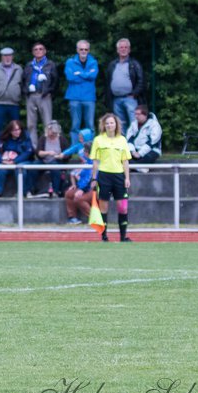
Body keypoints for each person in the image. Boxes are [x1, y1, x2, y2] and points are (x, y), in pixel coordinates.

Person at [89, 112, 131, 242]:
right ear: (103, 125)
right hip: (104, 176)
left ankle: (123, 237)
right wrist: (94, 178)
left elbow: (125, 161)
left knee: (123, 207)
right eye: (106, 123)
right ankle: (104, 236)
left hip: (119, 176)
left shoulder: (122, 140)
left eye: (111, 122)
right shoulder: (98, 140)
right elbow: (95, 162)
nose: (109, 125)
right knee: (104, 207)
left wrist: (127, 178)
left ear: (116, 124)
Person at [0, 47, 23, 151]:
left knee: (16, 128)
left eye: (9, 55)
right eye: (5, 56)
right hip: (0, 103)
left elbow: (22, 84)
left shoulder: (19, 69)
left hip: (14, 103)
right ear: (1, 57)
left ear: (12, 56)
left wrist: (17, 96)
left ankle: (16, 148)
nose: (7, 58)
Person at [63, 40, 98, 140]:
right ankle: (75, 148)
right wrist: (87, 74)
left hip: (89, 97)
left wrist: (79, 73)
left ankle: (91, 148)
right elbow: (70, 77)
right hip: (74, 97)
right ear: (77, 50)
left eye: (86, 49)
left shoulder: (93, 62)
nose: (83, 51)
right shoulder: (70, 62)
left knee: (90, 125)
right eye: (81, 49)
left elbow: (93, 75)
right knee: (75, 125)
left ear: (89, 50)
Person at [22, 42, 57, 137]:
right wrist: (26, 92)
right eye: (36, 49)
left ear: (45, 51)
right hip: (31, 96)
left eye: (41, 49)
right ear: (33, 52)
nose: (38, 51)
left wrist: (50, 92)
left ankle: (48, 147)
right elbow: (24, 79)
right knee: (31, 124)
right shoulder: (29, 65)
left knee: (48, 123)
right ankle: (33, 147)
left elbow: (55, 80)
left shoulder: (50, 64)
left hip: (44, 96)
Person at [0, 119, 33, 197]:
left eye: (19, 129)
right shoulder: (4, 138)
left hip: (22, 161)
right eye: (14, 130)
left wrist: (15, 161)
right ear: (10, 131)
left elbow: (28, 153)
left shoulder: (26, 137)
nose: (17, 132)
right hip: (7, 161)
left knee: (20, 169)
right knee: (0, 169)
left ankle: (22, 192)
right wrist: (2, 160)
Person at [105, 38, 144, 122]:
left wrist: (134, 94)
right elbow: (108, 82)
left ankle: (134, 136)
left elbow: (141, 81)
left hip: (130, 99)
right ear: (117, 50)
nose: (123, 49)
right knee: (120, 125)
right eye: (121, 47)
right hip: (116, 99)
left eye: (126, 47)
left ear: (129, 50)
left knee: (134, 123)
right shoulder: (112, 65)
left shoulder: (134, 64)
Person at [31, 121, 66, 197]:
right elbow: (38, 152)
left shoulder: (62, 139)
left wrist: (61, 156)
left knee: (55, 168)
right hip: (44, 160)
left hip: (56, 160)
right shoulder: (43, 138)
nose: (53, 135)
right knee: (33, 167)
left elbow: (67, 153)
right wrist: (48, 153)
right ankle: (31, 189)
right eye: (52, 132)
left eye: (55, 133)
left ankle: (55, 191)